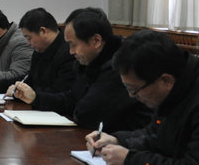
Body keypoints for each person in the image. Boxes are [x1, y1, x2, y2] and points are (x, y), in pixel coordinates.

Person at [86, 30, 199, 165]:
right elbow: (154, 135)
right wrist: (118, 140)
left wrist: (130, 161)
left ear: (166, 80)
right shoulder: (174, 87)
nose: (131, 96)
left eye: (134, 90)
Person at [15, 7, 151, 132]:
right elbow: (71, 100)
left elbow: (85, 114)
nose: (70, 52)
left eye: (73, 44)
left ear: (96, 41)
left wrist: (74, 105)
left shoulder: (119, 67)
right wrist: (35, 98)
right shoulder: (86, 62)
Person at [0, 7, 76, 96]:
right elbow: (29, 79)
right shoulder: (39, 50)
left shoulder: (69, 53)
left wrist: (24, 94)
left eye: (29, 38)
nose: (28, 43)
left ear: (43, 31)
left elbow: (60, 92)